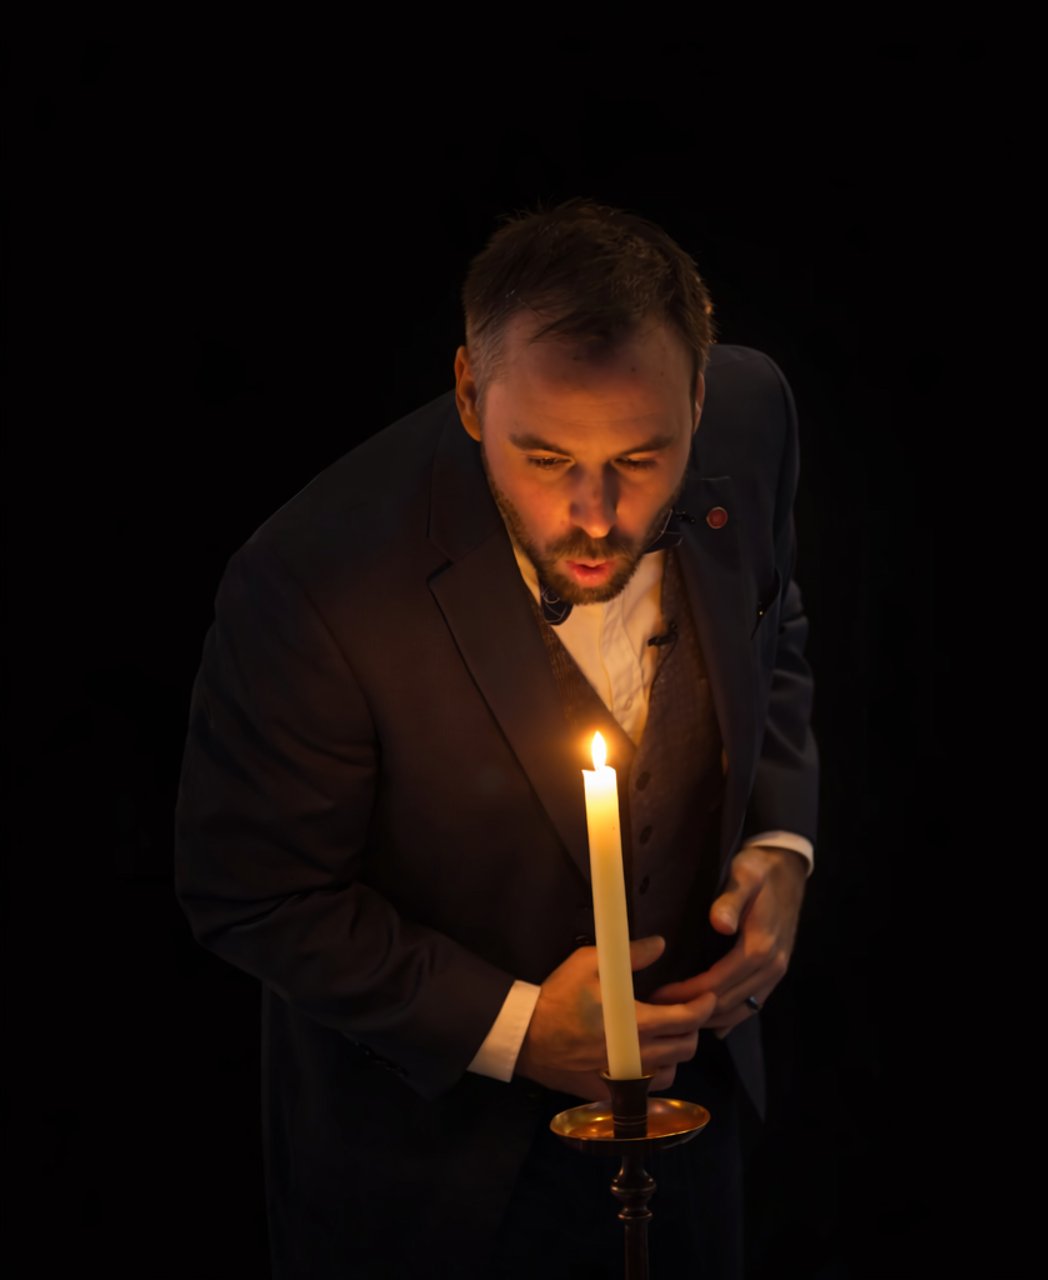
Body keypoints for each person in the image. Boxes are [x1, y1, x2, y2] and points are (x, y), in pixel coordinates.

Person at [174, 198, 819, 1278]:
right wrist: (516, 1025)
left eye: (644, 456)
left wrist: (781, 844)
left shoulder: (754, 418)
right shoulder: (310, 577)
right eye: (547, 456)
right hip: (434, 1188)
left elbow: (777, 622)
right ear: (472, 394)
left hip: (696, 1121)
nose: (599, 511)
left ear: (700, 398)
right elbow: (248, 887)